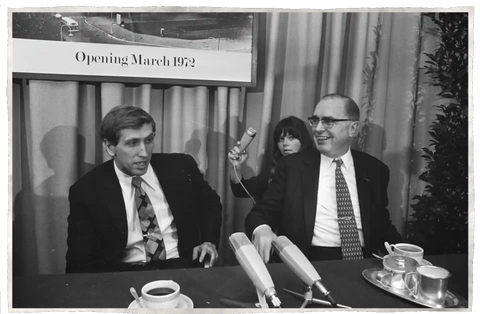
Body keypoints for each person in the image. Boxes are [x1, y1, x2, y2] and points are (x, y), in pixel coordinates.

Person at [245, 93, 403, 263]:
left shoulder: (374, 170)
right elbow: (260, 213)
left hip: (361, 262)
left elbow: (382, 225)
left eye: (328, 121)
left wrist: (407, 254)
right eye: (315, 120)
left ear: (353, 128)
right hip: (307, 261)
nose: (318, 128)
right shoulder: (292, 167)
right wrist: (262, 229)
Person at [66, 106, 222, 273]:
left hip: (181, 266)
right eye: (132, 143)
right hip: (126, 274)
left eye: (148, 140)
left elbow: (211, 205)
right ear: (110, 147)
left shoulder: (180, 167)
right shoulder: (87, 191)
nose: (144, 153)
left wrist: (207, 241)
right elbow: (79, 261)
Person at [228, 116, 314, 200]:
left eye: (291, 138)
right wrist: (236, 166)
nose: (285, 143)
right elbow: (241, 191)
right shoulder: (275, 170)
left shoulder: (314, 168)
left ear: (302, 141)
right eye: (280, 139)